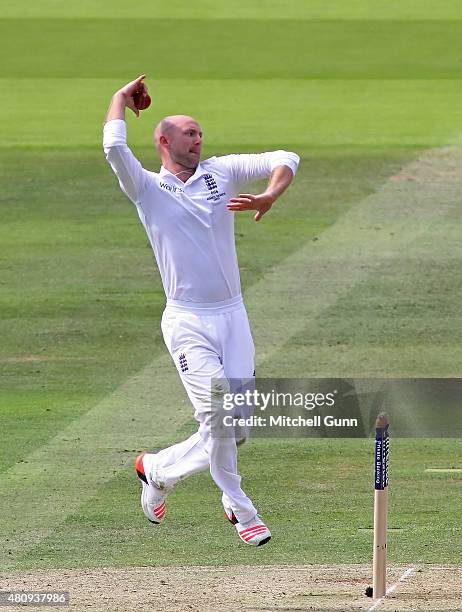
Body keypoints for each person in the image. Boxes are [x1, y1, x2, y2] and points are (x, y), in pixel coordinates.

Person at [103, 75, 299, 546]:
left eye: (201, 132)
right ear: (164, 140)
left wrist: (271, 194)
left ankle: (156, 469)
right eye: (190, 132)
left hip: (233, 317)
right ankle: (240, 507)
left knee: (237, 426)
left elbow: (286, 157)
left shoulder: (221, 173)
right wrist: (118, 100)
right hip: (188, 320)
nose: (199, 138)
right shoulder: (147, 189)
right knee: (220, 419)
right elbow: (113, 149)